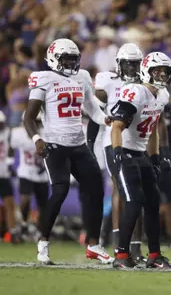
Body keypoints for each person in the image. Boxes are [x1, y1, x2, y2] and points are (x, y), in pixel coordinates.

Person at [23, 38, 113, 265]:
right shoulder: (44, 79)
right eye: (66, 59)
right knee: (60, 192)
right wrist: (37, 139)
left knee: (97, 188)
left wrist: (105, 119)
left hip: (78, 144)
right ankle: (43, 242)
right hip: (55, 145)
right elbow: (29, 117)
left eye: (74, 59)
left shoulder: (81, 76)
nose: (71, 63)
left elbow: (91, 105)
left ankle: (93, 244)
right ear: (53, 59)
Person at [110, 51, 171, 269]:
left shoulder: (163, 95)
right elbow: (117, 125)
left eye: (165, 71)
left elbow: (154, 128)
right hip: (125, 151)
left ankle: (154, 255)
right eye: (157, 70)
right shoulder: (135, 92)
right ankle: (121, 256)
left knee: (153, 202)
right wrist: (117, 152)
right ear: (147, 71)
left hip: (141, 154)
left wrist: (156, 157)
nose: (162, 75)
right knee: (133, 202)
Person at [86, 43, 145, 260]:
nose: (131, 68)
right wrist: (90, 144)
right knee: (122, 188)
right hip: (112, 138)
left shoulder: (144, 82)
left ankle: (135, 244)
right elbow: (95, 113)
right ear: (119, 64)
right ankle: (121, 241)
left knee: (139, 191)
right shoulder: (107, 81)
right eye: (127, 64)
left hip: (140, 140)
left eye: (135, 64)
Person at [10, 112, 48, 238]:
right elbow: (10, 146)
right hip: (26, 172)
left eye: (37, 122)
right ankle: (24, 223)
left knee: (43, 205)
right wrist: (10, 162)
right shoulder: (18, 134)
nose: (35, 125)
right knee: (25, 199)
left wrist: (45, 166)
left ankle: (39, 229)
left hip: (41, 175)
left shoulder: (45, 134)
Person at [0, 111, 21, 243]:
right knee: (9, 204)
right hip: (4, 174)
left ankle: (12, 232)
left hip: (3, 174)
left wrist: (10, 163)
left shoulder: (8, 133)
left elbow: (12, 148)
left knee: (9, 204)